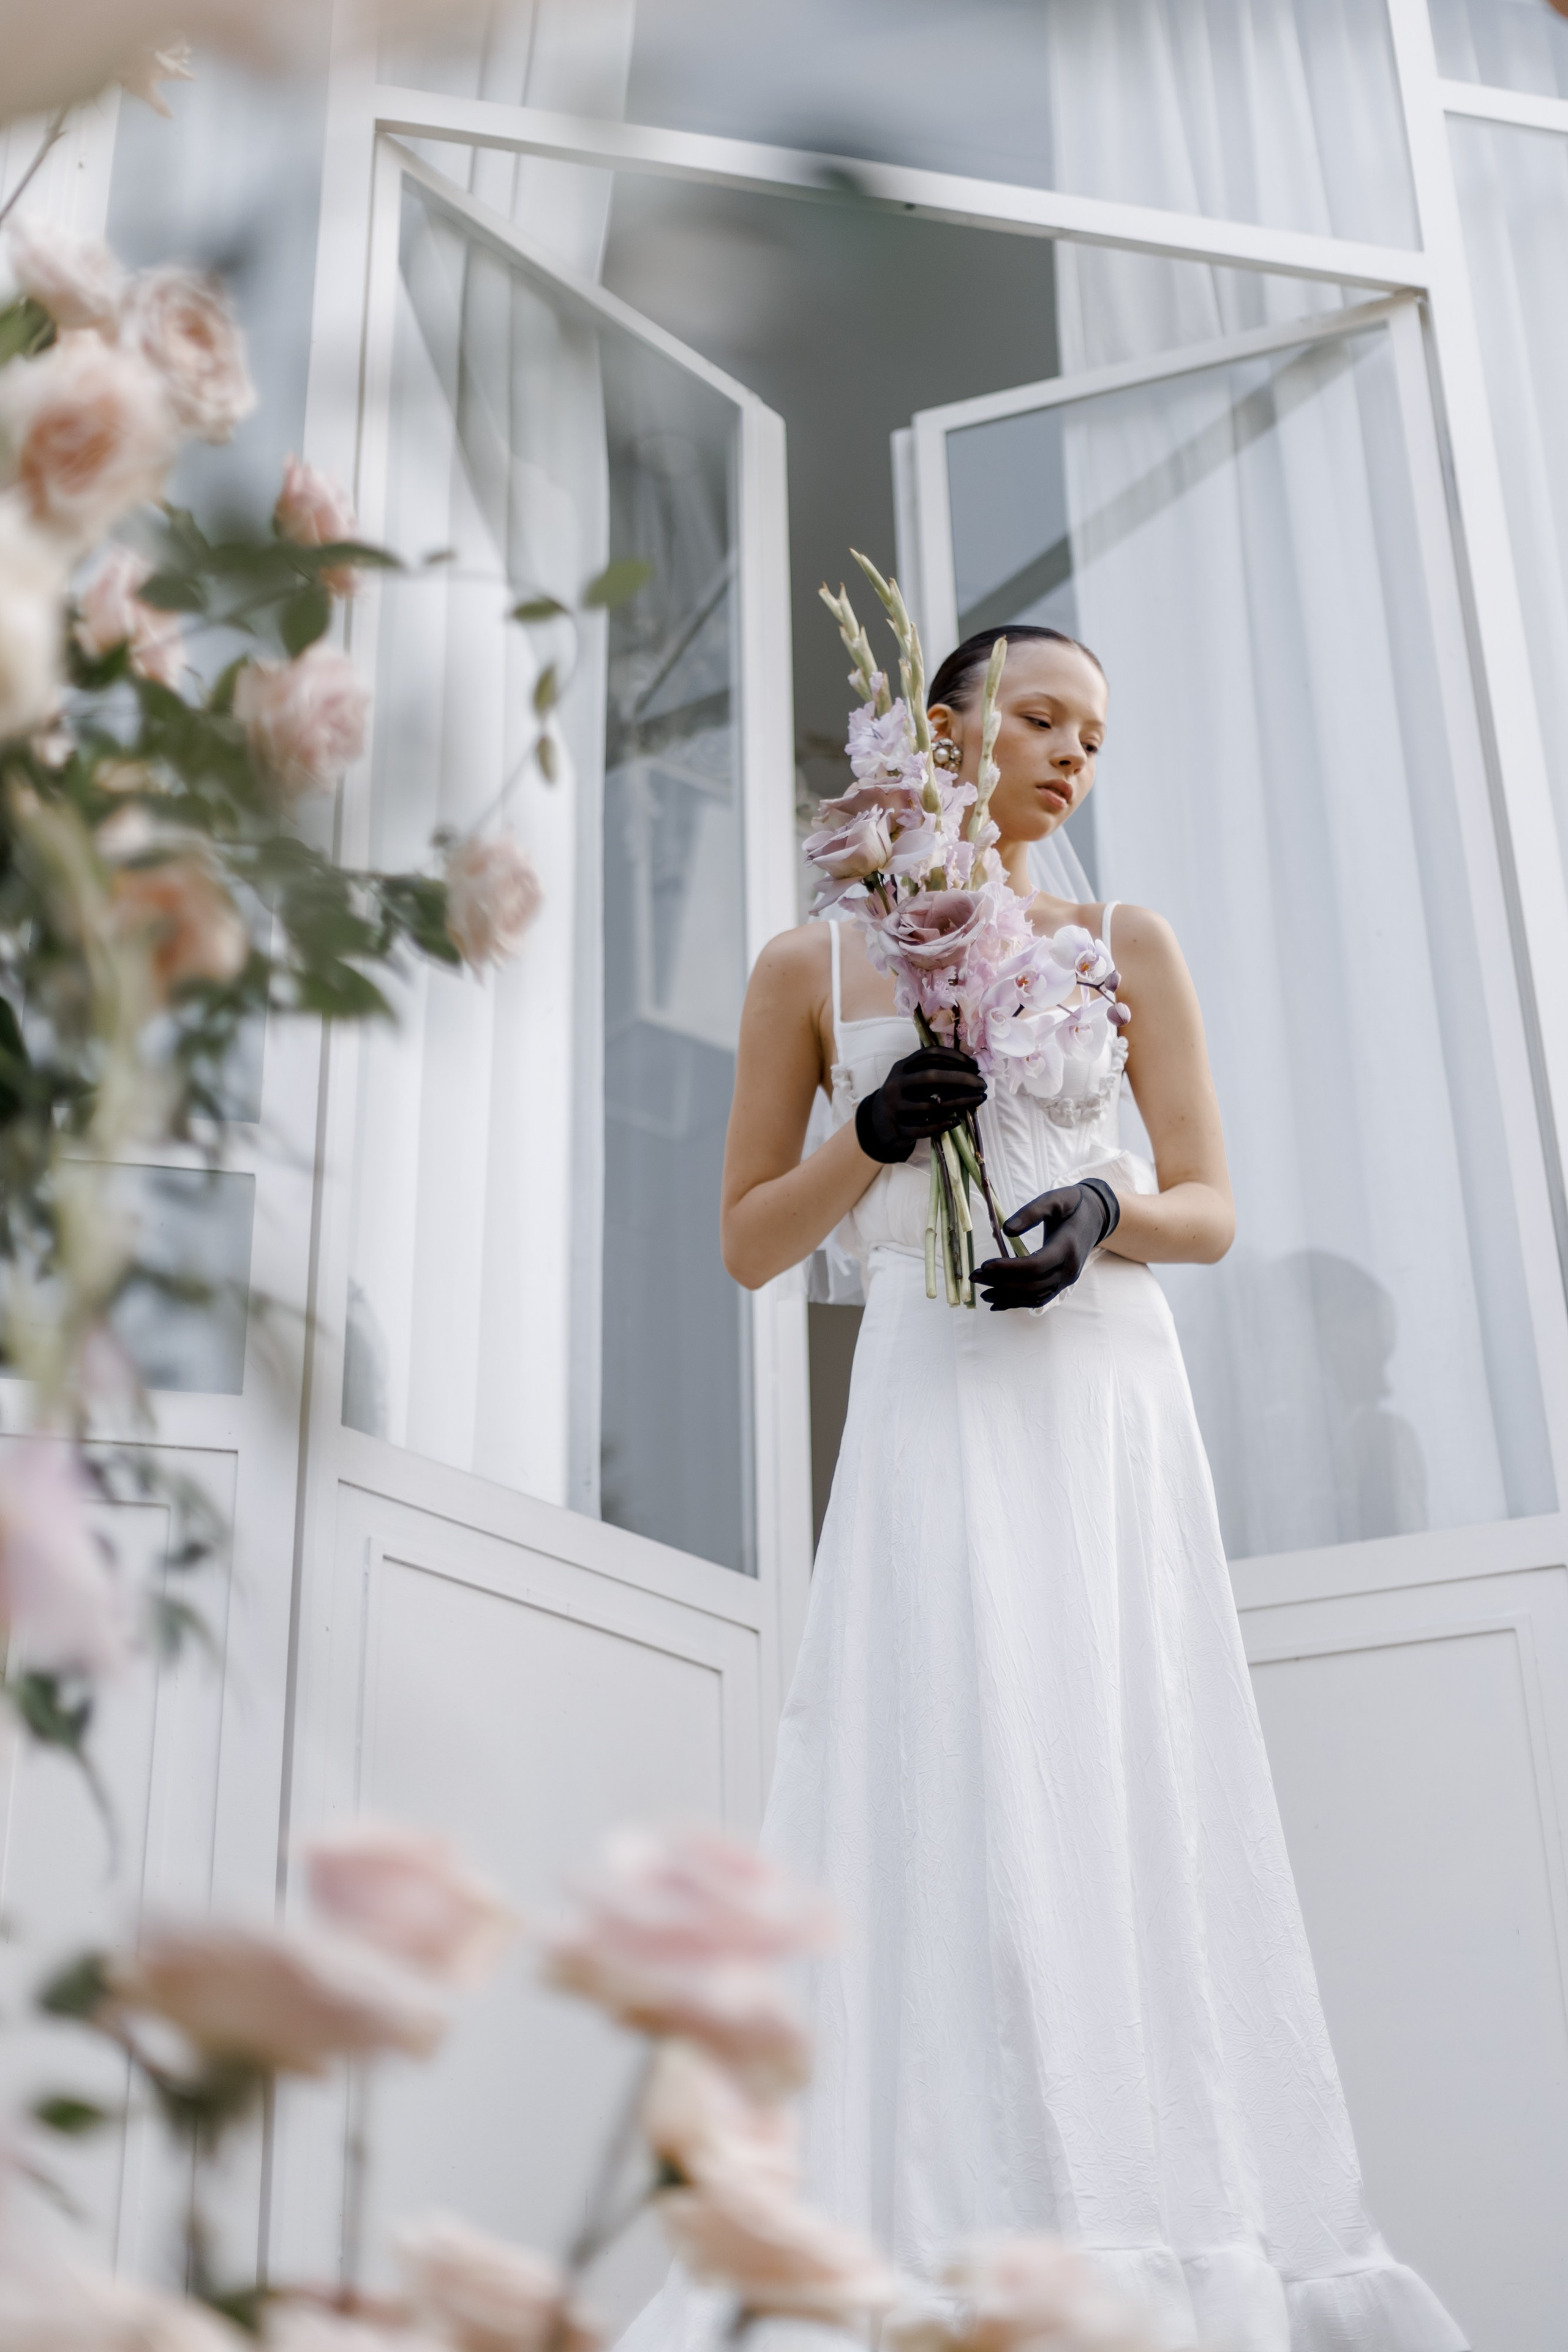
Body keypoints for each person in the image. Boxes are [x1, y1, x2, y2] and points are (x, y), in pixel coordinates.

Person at [628, 628, 1468, 2352]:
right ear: (941, 733)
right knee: (945, 1764)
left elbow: (1213, 1202)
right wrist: (864, 1146)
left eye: (1096, 735)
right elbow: (741, 1246)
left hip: (1105, 1397)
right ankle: (929, 2210)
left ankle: (1155, 2218)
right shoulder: (813, 968)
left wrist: (1103, 1214)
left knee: (1120, 1765)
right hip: (940, 1395)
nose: (1077, 757)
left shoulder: (1123, 939)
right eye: (1040, 720)